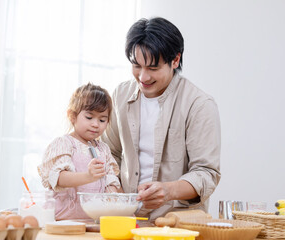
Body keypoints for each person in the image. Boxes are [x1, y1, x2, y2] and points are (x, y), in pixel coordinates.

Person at [101, 17, 221, 220]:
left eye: (153, 68)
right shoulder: (120, 95)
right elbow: (108, 153)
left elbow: (206, 173)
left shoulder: (199, 104)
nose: (143, 77)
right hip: (124, 220)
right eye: (136, 66)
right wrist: (114, 189)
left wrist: (169, 190)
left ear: (175, 60)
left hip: (176, 223)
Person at [37, 83, 121, 220]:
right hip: (62, 221)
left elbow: (110, 181)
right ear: (72, 116)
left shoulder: (103, 149)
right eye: (89, 117)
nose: (95, 124)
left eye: (102, 119)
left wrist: (120, 201)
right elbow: (58, 178)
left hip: (92, 222)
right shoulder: (64, 144)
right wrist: (88, 176)